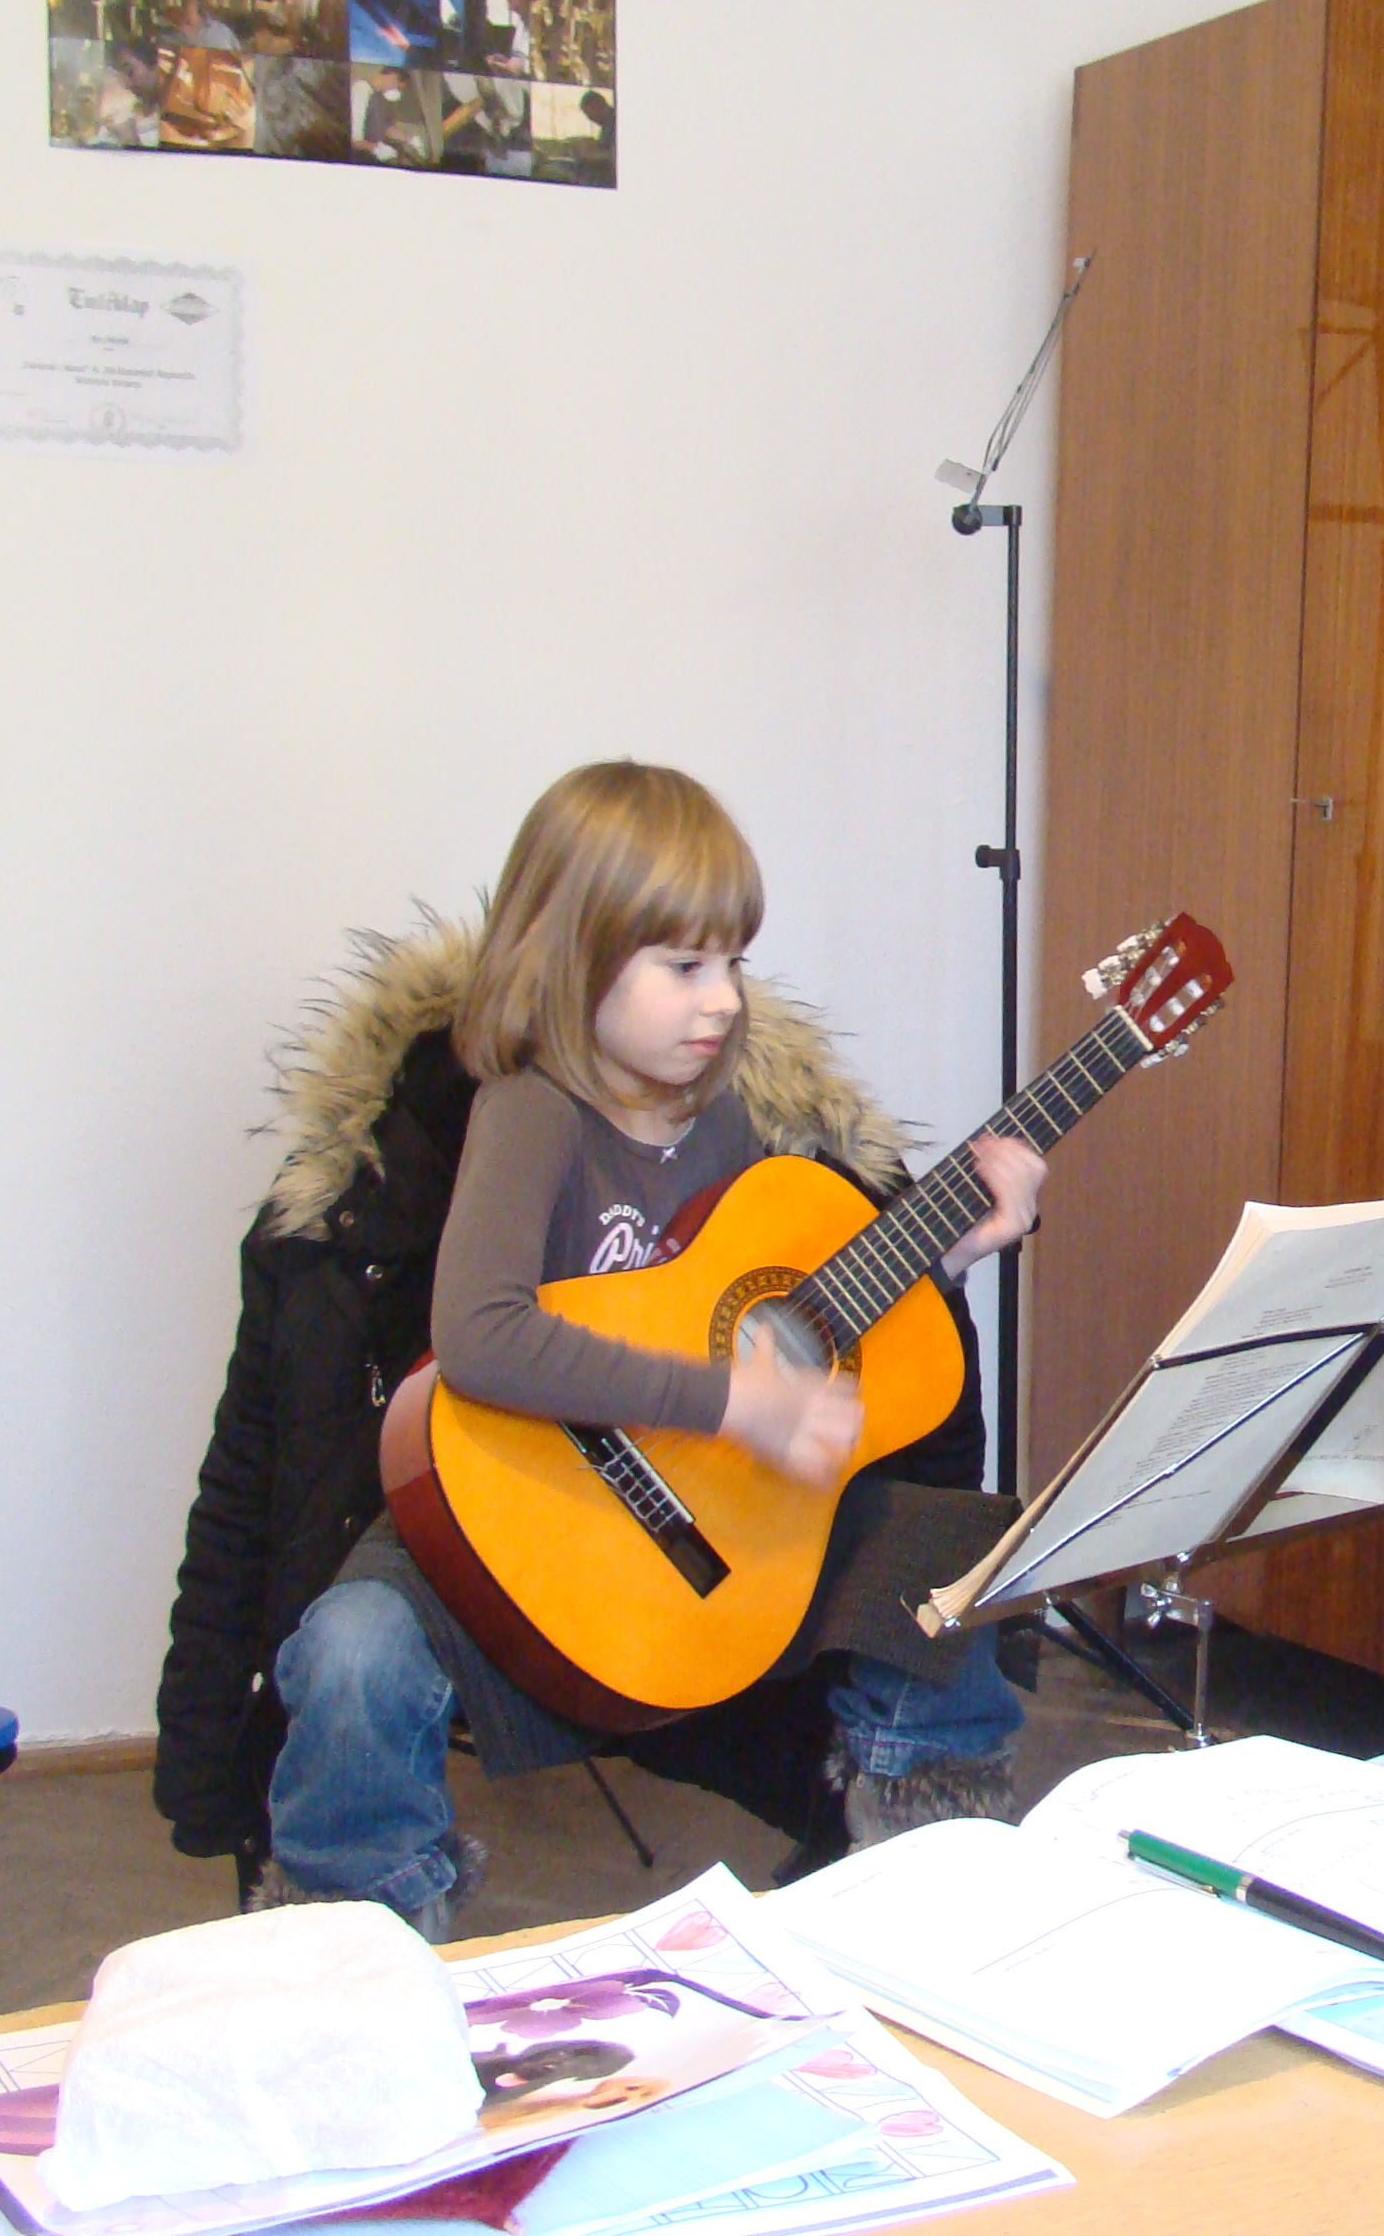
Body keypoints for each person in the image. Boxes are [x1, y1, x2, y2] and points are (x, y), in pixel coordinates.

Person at [158, 763, 1038, 1934]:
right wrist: (732, 1403)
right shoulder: (531, 1111)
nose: (721, 1001)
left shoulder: (728, 1122)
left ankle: (906, 1884)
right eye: (684, 966)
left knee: (948, 1568)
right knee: (351, 1654)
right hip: (516, 1505)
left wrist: (948, 1255)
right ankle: (352, 1943)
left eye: (734, 963)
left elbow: (782, 1315)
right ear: (570, 959)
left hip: (687, 1528)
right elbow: (480, 1337)